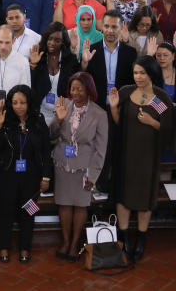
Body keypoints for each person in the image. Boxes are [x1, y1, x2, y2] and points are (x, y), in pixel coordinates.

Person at [109, 55, 174, 261]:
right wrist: (113, 107)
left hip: (148, 158)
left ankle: (142, 238)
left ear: (151, 73)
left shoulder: (160, 98)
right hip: (126, 155)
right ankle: (124, 236)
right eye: (135, 72)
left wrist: (151, 122)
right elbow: (118, 124)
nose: (138, 77)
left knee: (145, 199)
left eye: (142, 73)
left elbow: (168, 128)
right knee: (123, 197)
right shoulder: (126, 93)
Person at [52, 72, 108, 262]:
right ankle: (66, 242)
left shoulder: (99, 114)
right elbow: (51, 136)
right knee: (65, 204)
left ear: (89, 90)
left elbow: (100, 150)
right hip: (62, 165)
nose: (74, 93)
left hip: (84, 169)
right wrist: (58, 120)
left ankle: (75, 243)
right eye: (72, 89)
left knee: (80, 206)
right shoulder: (64, 106)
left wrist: (92, 177)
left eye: (79, 89)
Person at [0, 84, 52, 263]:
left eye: (23, 102)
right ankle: (3, 246)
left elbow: (45, 150)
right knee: (6, 212)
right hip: (7, 176)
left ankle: (25, 247)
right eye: (15, 102)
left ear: (29, 103)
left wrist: (46, 177)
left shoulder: (38, 120)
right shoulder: (5, 119)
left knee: (29, 212)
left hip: (31, 178)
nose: (18, 106)